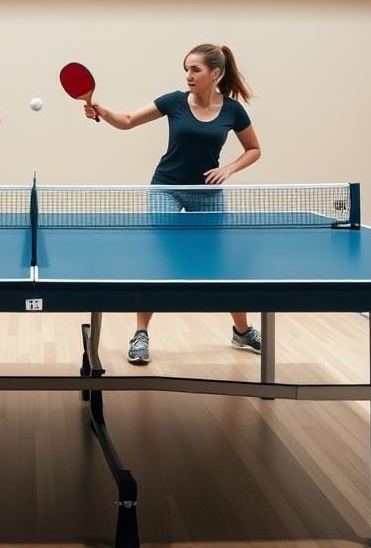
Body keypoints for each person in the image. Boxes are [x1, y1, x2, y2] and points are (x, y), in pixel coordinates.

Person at [84, 43, 263, 365]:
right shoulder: (174, 101)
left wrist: (229, 168)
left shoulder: (233, 110)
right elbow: (127, 121)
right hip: (166, 187)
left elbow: (253, 149)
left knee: (221, 264)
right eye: (186, 69)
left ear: (215, 73)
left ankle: (242, 330)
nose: (189, 75)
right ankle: (141, 334)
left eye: (195, 69)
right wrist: (103, 111)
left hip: (207, 193)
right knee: (157, 259)